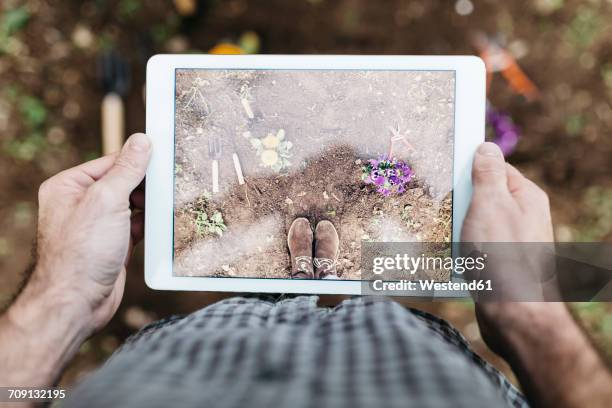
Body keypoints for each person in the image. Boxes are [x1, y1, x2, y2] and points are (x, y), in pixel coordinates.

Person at [0, 134, 610, 407]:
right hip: (420, 385)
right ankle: (331, 293)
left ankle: (289, 290)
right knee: (384, 315)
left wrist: (62, 300)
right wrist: (529, 317)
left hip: (174, 384)